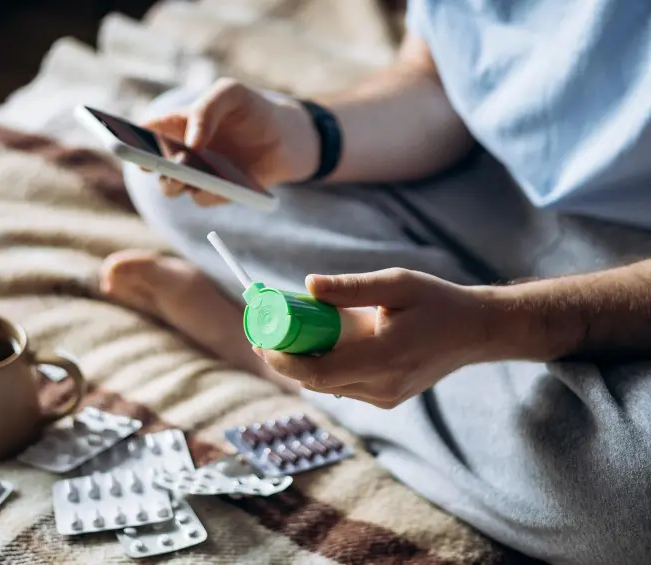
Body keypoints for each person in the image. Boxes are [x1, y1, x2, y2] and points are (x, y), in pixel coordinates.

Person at [98, 2, 651, 564]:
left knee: (637, 503)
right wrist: (308, 135)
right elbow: (436, 79)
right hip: (490, 193)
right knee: (175, 151)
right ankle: (423, 358)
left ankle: (300, 364)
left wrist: (494, 323)